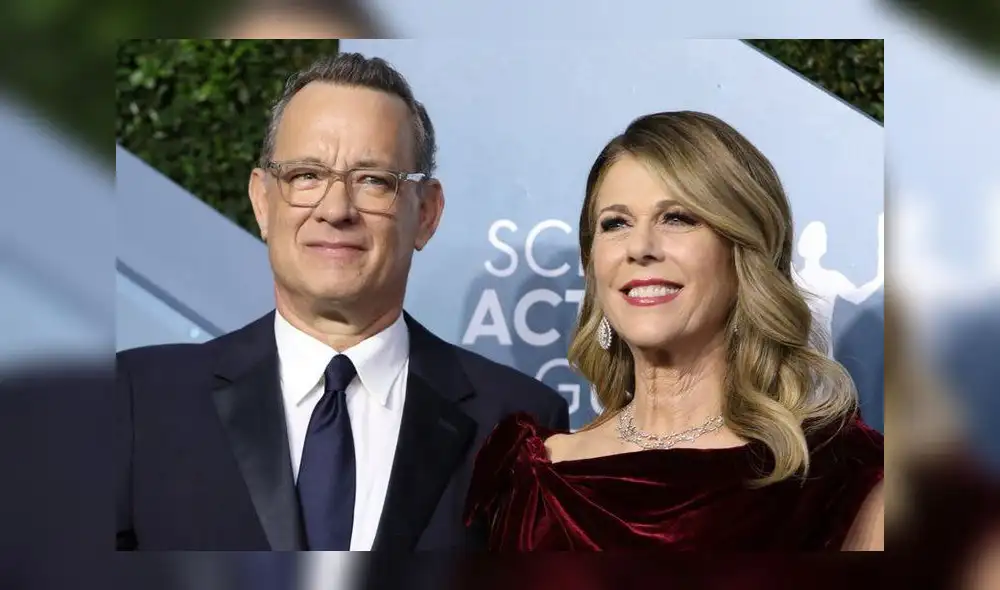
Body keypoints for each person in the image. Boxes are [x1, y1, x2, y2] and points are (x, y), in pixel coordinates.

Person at [115, 52, 569, 551]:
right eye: (307, 175)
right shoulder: (137, 399)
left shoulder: (518, 421)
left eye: (374, 180)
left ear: (427, 213)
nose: (336, 210)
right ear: (263, 201)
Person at [464, 111, 884, 551]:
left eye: (678, 218)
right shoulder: (535, 477)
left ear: (744, 252)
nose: (641, 248)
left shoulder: (841, 478)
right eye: (615, 223)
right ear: (592, 265)